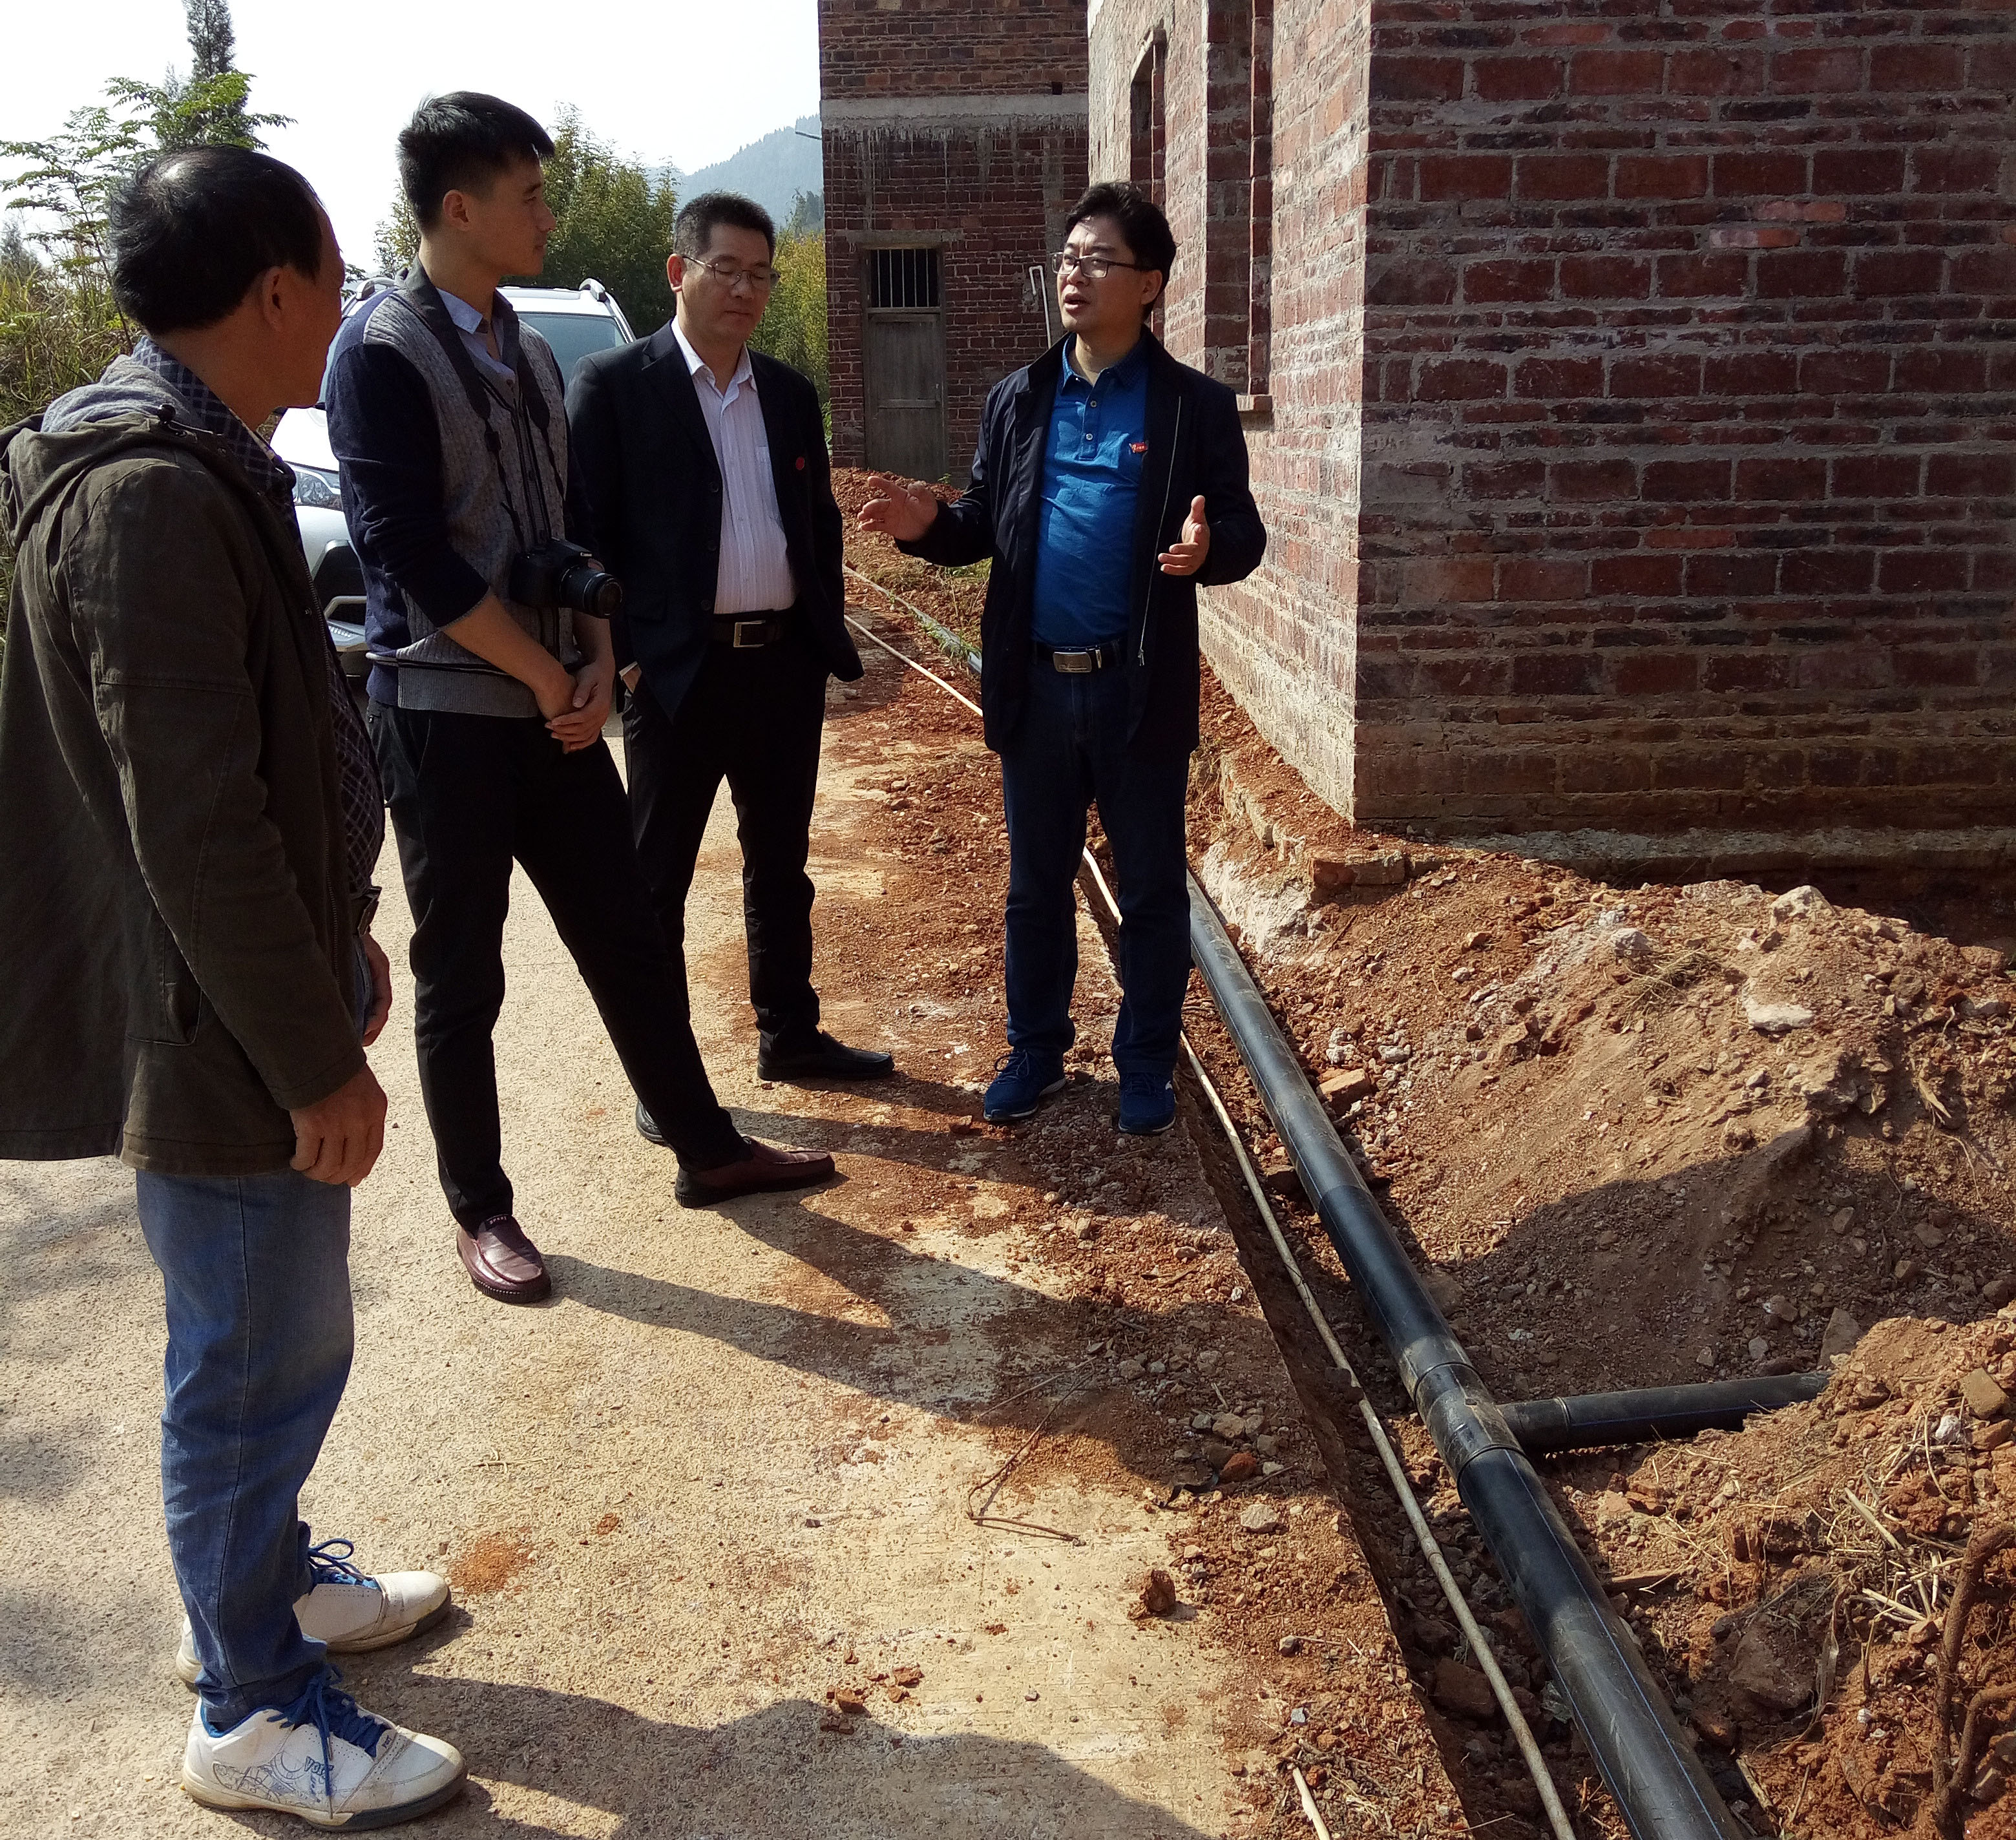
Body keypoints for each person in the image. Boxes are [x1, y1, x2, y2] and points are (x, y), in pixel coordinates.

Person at [0, 146, 464, 1826]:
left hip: (239, 1003)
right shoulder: (146, 493)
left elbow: (255, 768)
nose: (346, 310)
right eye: (336, 278)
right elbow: (192, 827)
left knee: (273, 1332)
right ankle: (249, 1703)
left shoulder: (199, 461)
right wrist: (312, 1056)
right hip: (208, 1035)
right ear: (276, 290)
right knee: (254, 1350)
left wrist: (337, 944)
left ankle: (268, 1585)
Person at [328, 95, 834, 1304]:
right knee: (465, 975)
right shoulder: (380, 351)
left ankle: (706, 1145)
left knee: (627, 938)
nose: (548, 215)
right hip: (447, 717)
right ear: (461, 208)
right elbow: (410, 555)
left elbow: (569, 528)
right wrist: (547, 669)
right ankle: (482, 1209)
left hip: (558, 708)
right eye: (531, 195)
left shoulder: (529, 350)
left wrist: (599, 656)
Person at [861, 182, 1266, 1137]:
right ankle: (1035, 1051)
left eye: (1098, 260)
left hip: (1139, 687)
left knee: (1152, 888)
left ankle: (1146, 1063)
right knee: (1036, 886)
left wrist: (1209, 550)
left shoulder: (1193, 407)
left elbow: (1243, 533)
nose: (1074, 275)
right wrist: (931, 526)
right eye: (1069, 258)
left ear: (1150, 284)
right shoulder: (1020, 398)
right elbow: (981, 520)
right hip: (1037, 684)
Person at [567, 192, 891, 1142]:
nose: (745, 290)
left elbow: (817, 524)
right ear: (680, 272)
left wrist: (821, 635)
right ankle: (664, 1077)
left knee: (781, 868)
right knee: (655, 885)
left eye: (760, 275)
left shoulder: (785, 393)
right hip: (676, 677)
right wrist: (627, 662)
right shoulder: (614, 386)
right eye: (727, 270)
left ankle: (791, 1034)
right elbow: (587, 533)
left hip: (780, 668)